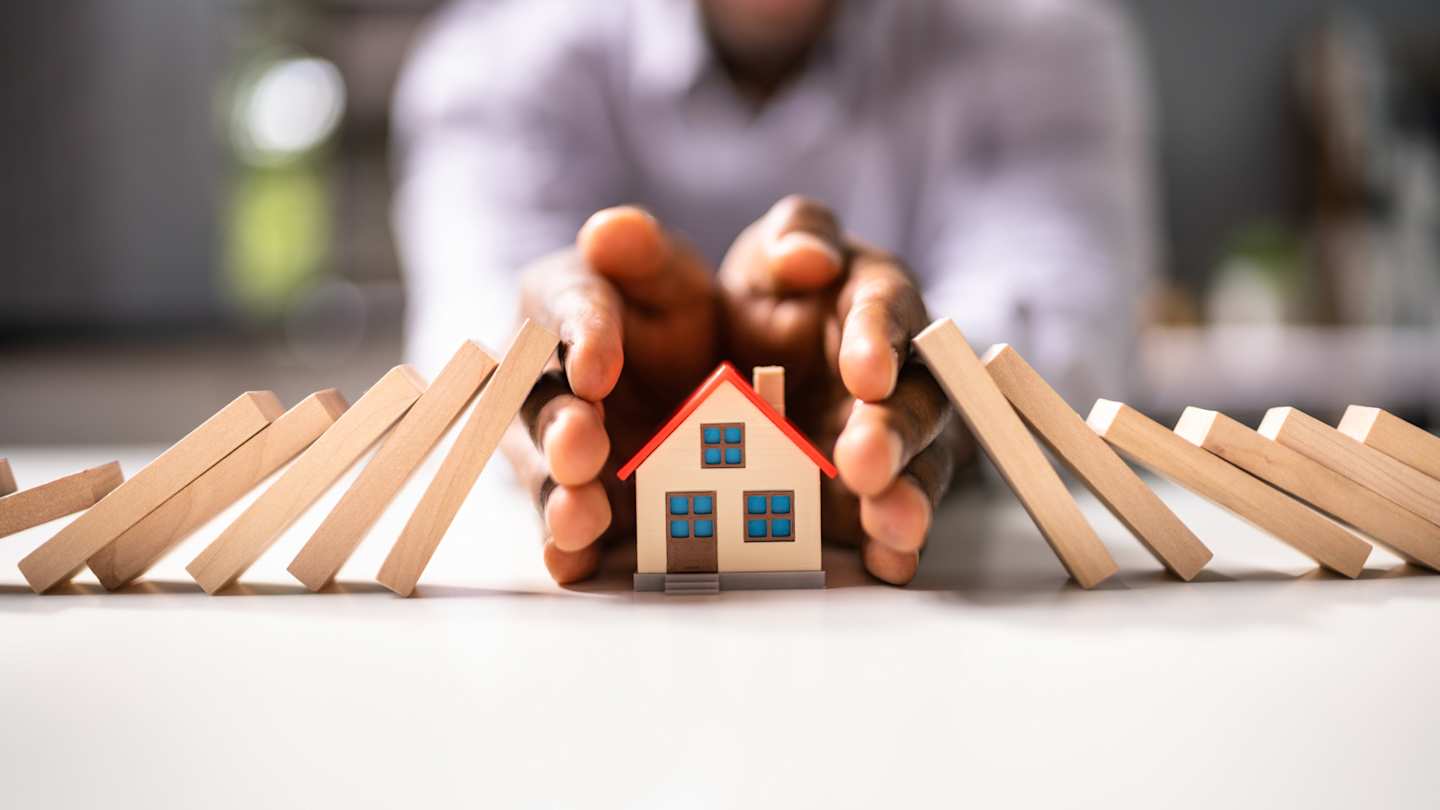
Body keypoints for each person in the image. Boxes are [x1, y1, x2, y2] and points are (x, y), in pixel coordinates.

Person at [391, 0, 1155, 585]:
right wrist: (551, 392)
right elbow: (471, 339)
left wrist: (924, 401)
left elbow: (1065, 331)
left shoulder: (1042, 39)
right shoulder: (495, 57)